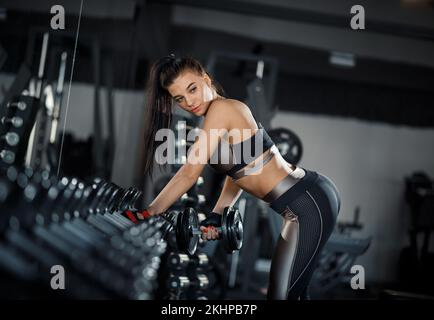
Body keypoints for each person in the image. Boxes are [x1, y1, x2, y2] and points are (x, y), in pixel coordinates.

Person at [123, 55, 341, 300]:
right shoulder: (218, 115)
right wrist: (218, 214)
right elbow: (240, 171)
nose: (189, 101)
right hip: (303, 201)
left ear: (206, 78)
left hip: (307, 203)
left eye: (192, 89)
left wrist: (148, 212)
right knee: (292, 294)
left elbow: (188, 173)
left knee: (283, 296)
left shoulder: (223, 109)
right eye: (179, 98)